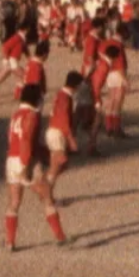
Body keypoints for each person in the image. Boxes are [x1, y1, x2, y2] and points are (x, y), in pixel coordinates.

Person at [4, 84, 70, 252]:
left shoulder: (16, 115)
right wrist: (26, 166)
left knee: (14, 202)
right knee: (46, 197)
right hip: (26, 160)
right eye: (40, 97)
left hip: (11, 159)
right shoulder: (32, 115)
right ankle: (60, 236)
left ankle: (10, 242)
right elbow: (27, 141)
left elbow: (14, 139)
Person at [45, 71, 82, 201]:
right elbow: (64, 121)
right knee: (60, 164)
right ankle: (46, 191)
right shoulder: (65, 98)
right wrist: (71, 140)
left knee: (57, 165)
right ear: (76, 85)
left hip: (55, 131)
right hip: (57, 133)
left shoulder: (61, 95)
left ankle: (48, 193)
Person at [0, 23, 29, 102]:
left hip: (12, 61)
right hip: (12, 61)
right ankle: (18, 95)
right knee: (24, 76)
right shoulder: (17, 38)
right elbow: (6, 46)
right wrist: (5, 60)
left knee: (1, 78)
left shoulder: (21, 38)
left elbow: (25, 49)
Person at [87, 46, 118, 156]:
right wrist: (97, 100)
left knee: (79, 119)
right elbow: (97, 84)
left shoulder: (101, 62)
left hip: (89, 90)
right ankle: (91, 146)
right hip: (94, 93)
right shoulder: (105, 66)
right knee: (97, 121)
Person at [100, 24, 129, 138]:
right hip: (118, 74)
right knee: (118, 103)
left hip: (109, 73)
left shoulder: (106, 42)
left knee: (110, 100)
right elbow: (120, 64)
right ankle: (116, 128)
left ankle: (108, 127)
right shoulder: (118, 45)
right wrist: (125, 79)